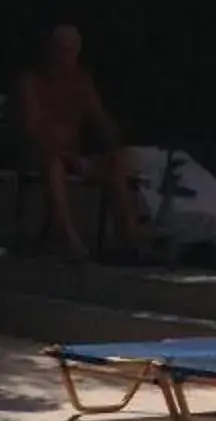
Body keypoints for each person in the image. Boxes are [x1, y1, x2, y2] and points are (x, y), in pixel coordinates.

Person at [14, 25, 148, 259]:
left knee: (114, 164)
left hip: (73, 157)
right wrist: (67, 156)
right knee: (52, 165)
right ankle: (69, 239)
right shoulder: (30, 81)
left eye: (72, 52)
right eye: (62, 51)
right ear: (51, 50)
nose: (66, 57)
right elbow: (32, 129)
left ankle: (130, 239)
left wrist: (116, 145)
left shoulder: (80, 80)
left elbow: (100, 118)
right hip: (40, 155)